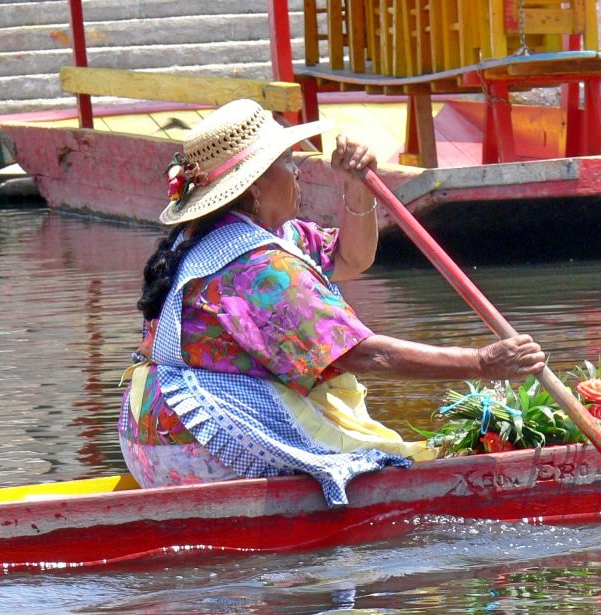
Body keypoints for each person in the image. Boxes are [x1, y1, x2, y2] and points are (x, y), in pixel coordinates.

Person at [118, 99, 544, 505]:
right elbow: (365, 356)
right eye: (287, 162)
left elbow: (351, 258)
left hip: (152, 435)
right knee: (380, 461)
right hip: (193, 447)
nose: (297, 173)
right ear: (255, 186)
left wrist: (356, 187)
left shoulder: (244, 235)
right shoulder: (260, 267)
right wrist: (483, 362)